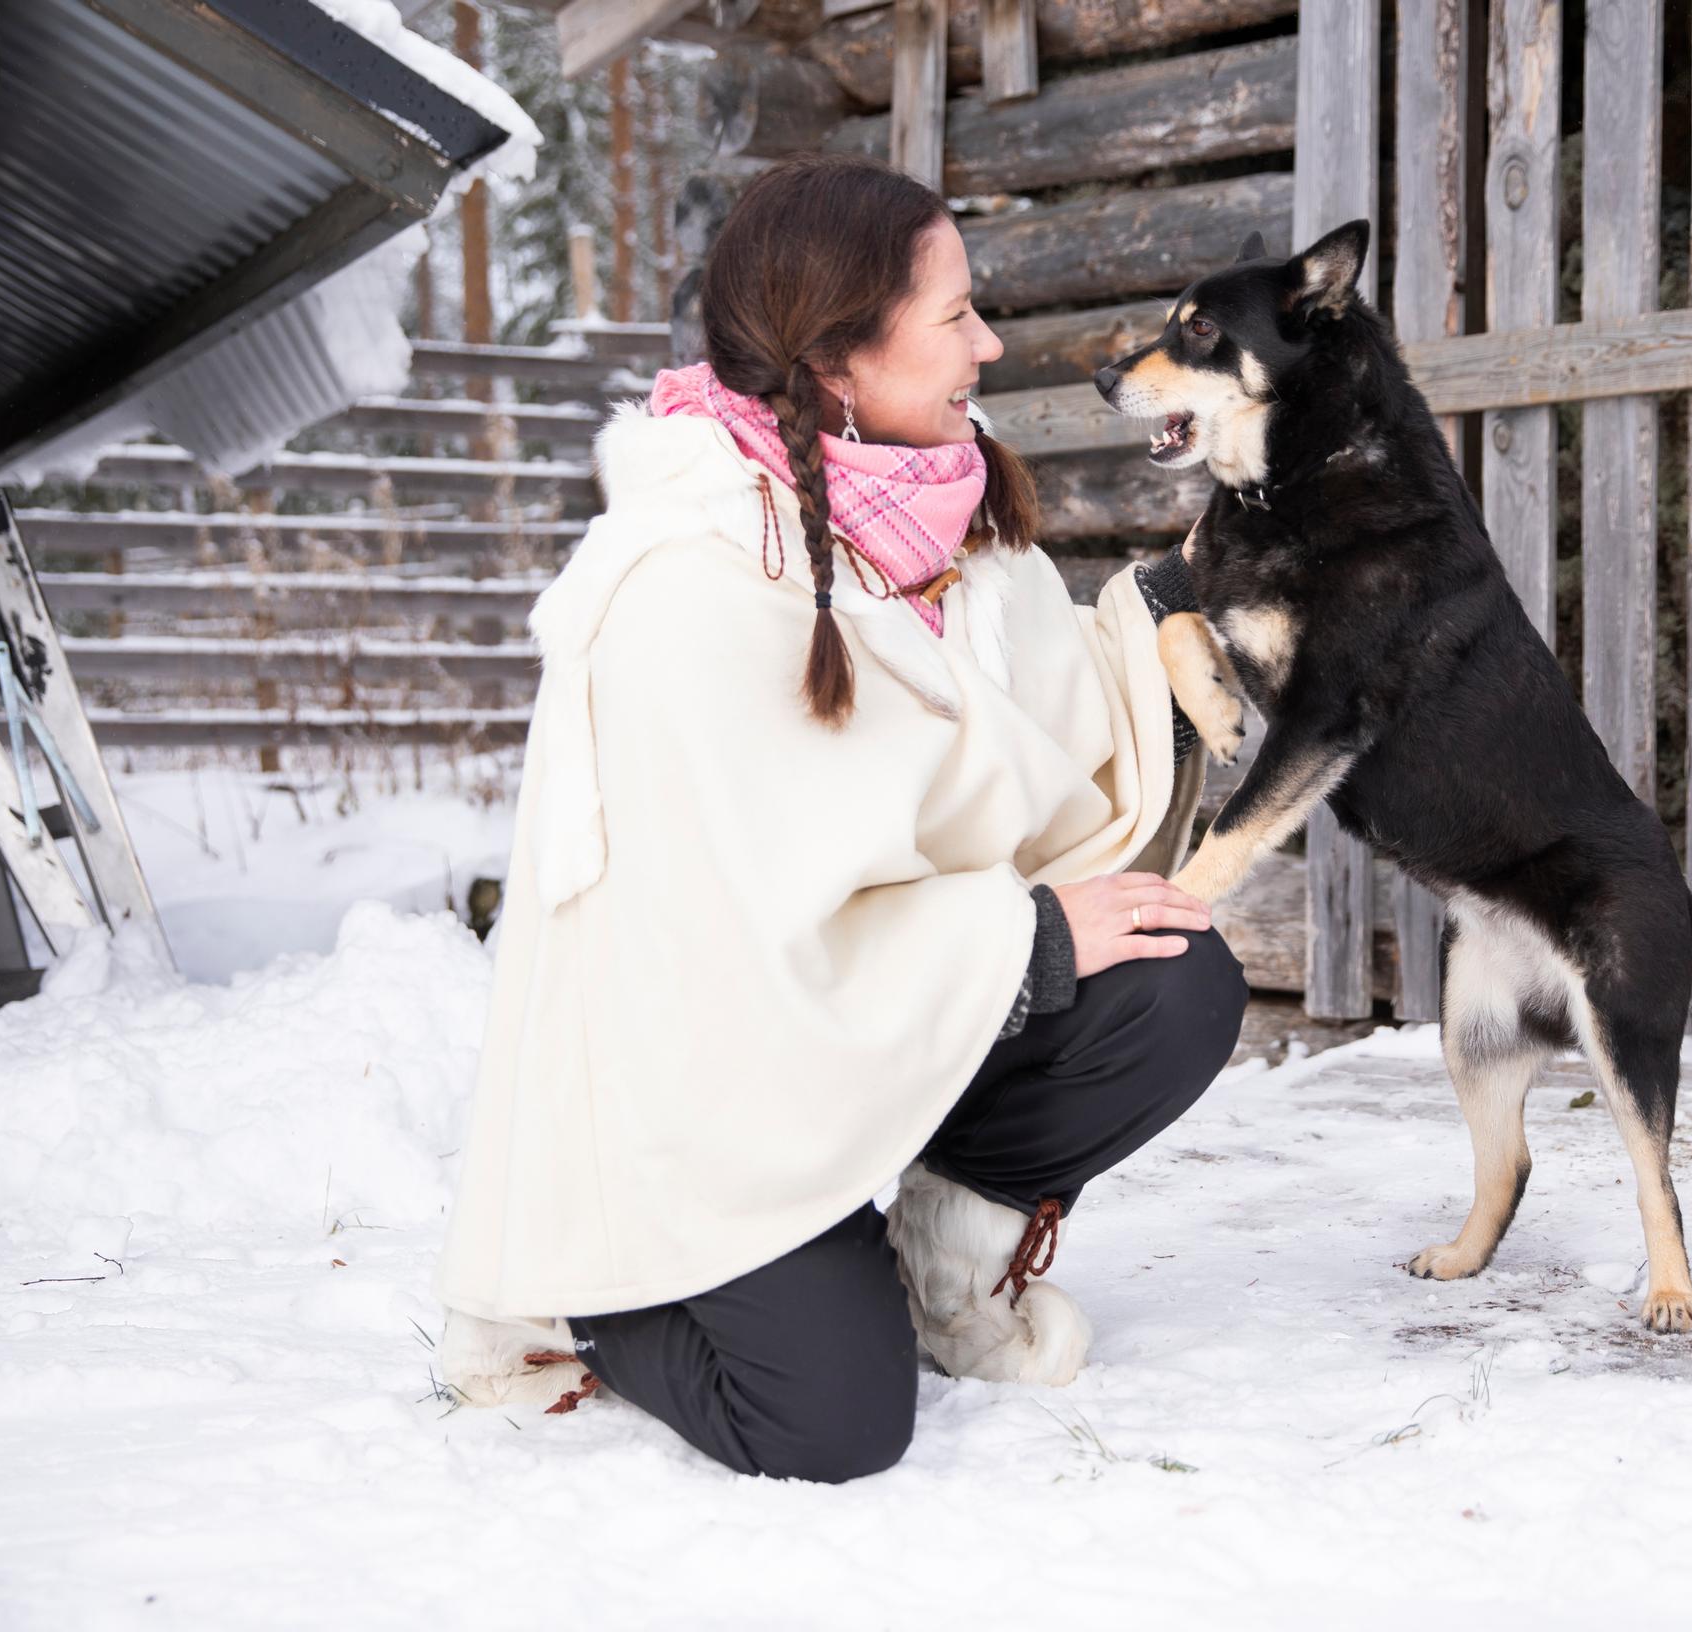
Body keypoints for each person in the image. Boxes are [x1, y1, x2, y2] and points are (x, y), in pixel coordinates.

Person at [432, 152, 1249, 1484]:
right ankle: (603, 1287)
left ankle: (948, 1258)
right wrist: (1030, 945)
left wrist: (1173, 617)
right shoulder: (687, 586)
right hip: (711, 1102)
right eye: (953, 318)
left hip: (871, 1021)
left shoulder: (949, 517)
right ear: (834, 366)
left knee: (1170, 973)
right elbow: (730, 954)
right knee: (834, 1424)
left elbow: (1037, 752)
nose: (990, 344)